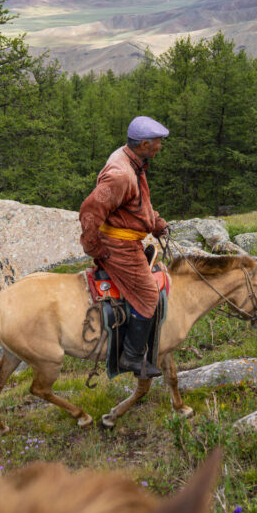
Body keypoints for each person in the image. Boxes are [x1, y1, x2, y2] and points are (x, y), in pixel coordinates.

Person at [79, 116, 170, 378]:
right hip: (119, 245)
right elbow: (89, 210)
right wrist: (93, 247)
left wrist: (155, 224)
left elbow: (136, 204)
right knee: (149, 297)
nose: (159, 147)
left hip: (129, 236)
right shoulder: (121, 175)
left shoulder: (131, 159)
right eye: (157, 143)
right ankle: (130, 357)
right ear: (143, 144)